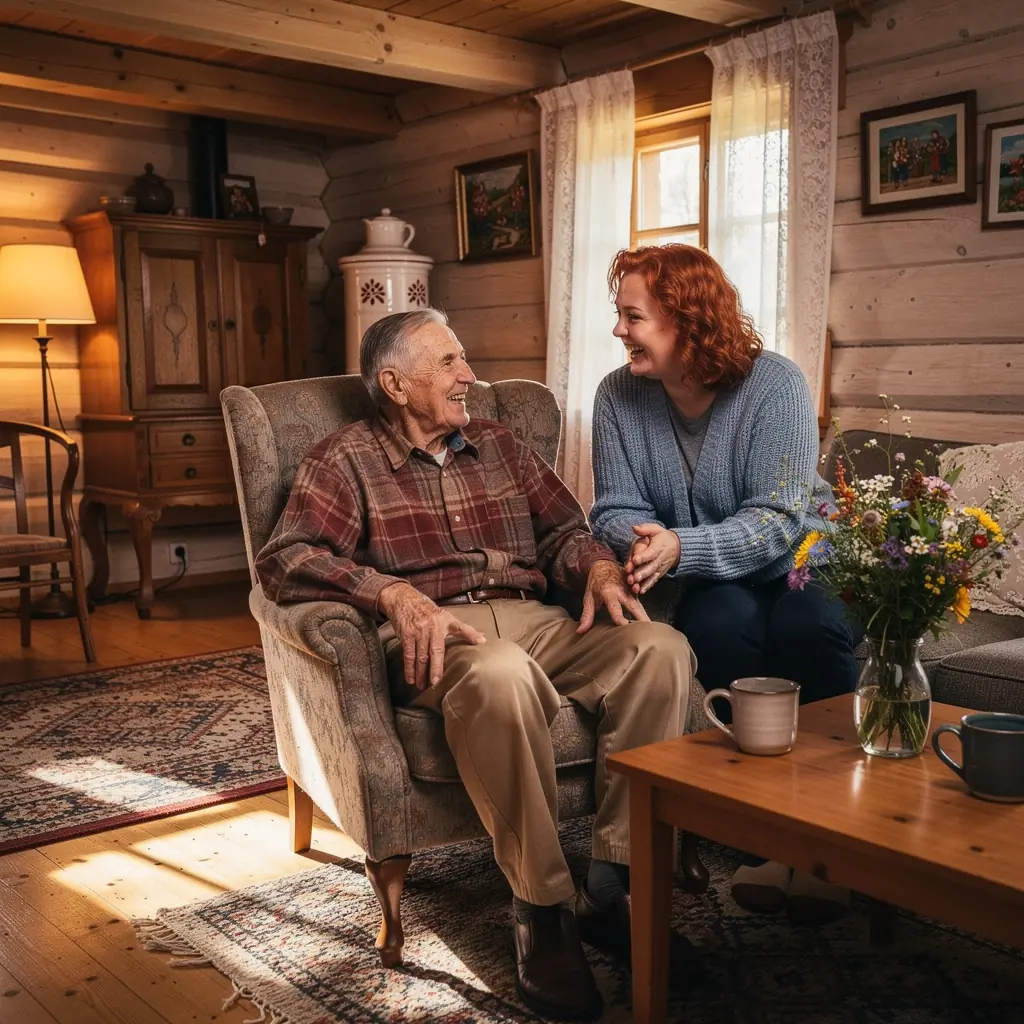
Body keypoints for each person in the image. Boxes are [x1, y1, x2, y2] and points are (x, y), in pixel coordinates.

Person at [255, 308, 696, 1021]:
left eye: (464, 359)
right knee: (499, 673)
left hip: (535, 619)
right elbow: (285, 559)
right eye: (449, 362)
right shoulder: (343, 459)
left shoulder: (500, 444)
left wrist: (597, 568)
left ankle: (613, 884)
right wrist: (389, 593)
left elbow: (565, 532)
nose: (469, 375)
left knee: (661, 650)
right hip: (437, 636)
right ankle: (542, 908)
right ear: (395, 384)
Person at [590, 245, 863, 924]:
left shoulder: (776, 384)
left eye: (633, 317)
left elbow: (778, 521)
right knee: (714, 629)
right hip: (714, 572)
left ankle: (834, 840)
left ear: (687, 320)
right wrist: (649, 541)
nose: (619, 330)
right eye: (620, 315)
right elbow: (614, 507)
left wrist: (680, 545)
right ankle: (765, 835)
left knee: (808, 627)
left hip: (806, 557)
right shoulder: (617, 395)